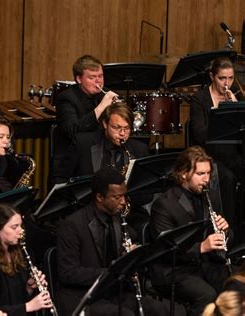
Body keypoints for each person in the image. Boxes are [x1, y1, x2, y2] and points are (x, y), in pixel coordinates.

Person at [57, 167, 173, 316]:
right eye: (117, 197)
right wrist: (110, 274)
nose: (124, 202)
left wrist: (132, 252)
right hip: (83, 297)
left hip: (112, 292)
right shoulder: (72, 225)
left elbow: (132, 242)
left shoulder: (116, 217)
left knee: (160, 310)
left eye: (124, 196)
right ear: (100, 197)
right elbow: (68, 273)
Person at [150, 146, 232, 316]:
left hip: (203, 264)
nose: (206, 179)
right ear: (183, 173)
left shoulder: (207, 196)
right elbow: (163, 250)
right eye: (200, 174)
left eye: (208, 173)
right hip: (173, 270)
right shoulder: (165, 204)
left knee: (234, 287)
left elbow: (222, 238)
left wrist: (226, 231)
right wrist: (201, 247)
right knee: (207, 295)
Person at [189, 57, 244, 235]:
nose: (226, 83)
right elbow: (199, 134)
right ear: (213, 76)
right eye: (222, 78)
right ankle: (229, 234)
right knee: (226, 178)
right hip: (209, 155)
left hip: (233, 152)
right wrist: (223, 112)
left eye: (230, 78)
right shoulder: (200, 98)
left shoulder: (237, 96)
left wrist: (236, 109)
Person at [51, 54, 118, 185]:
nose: (98, 81)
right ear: (79, 79)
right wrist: (102, 107)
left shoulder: (104, 94)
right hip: (73, 163)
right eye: (92, 78)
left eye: (100, 76)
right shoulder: (66, 98)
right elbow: (72, 131)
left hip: (99, 157)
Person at [0, 203, 53, 315]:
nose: (20, 231)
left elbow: (16, 299)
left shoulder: (18, 253)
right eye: (14, 227)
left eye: (20, 226)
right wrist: (28, 307)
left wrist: (29, 287)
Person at [59, 101, 149, 181]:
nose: (122, 133)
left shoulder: (140, 150)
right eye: (116, 127)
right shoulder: (82, 143)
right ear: (105, 124)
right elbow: (60, 178)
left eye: (127, 128)